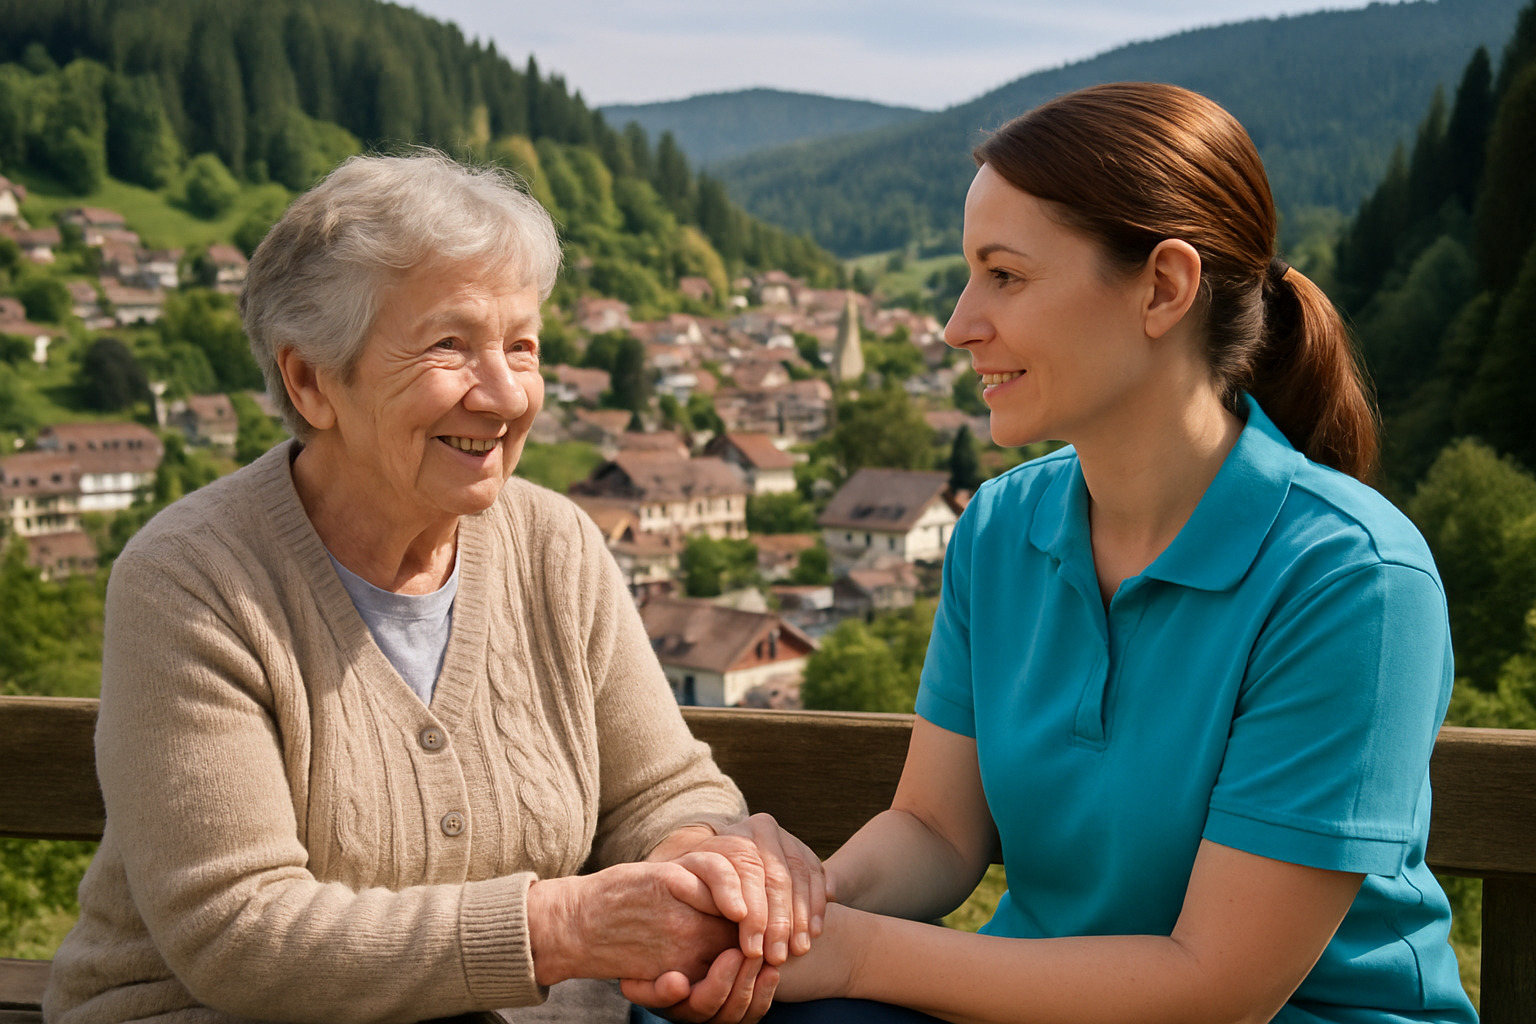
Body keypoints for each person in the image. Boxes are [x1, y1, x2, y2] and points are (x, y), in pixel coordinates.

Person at [733, 83, 1477, 1023]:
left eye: (1004, 275)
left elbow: (1218, 987)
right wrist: (788, 921)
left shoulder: (1353, 579)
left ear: (1163, 288)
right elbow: (934, 830)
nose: (959, 323)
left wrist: (855, 956)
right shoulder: (1000, 528)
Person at [43, 152, 821, 1024]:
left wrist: (702, 864)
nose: (503, 394)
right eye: (450, 345)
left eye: (521, 346)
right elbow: (239, 930)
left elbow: (661, 787)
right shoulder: (192, 580)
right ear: (310, 381)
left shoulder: (554, 543)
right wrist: (561, 926)